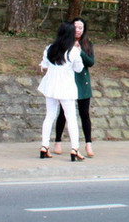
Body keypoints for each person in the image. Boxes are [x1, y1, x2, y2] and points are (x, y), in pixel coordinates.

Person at [38, 22, 85, 161]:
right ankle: (74, 148)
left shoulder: (49, 49)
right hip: (66, 87)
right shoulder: (73, 51)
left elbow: (44, 65)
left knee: (49, 116)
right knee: (71, 118)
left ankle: (44, 146)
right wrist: (79, 51)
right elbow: (79, 69)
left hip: (50, 86)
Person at [52, 18, 95, 158]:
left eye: (81, 28)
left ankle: (88, 143)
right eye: (75, 27)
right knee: (63, 114)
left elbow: (90, 62)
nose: (78, 30)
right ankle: (57, 141)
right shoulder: (64, 43)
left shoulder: (87, 44)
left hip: (83, 82)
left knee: (84, 114)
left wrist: (80, 51)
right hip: (68, 82)